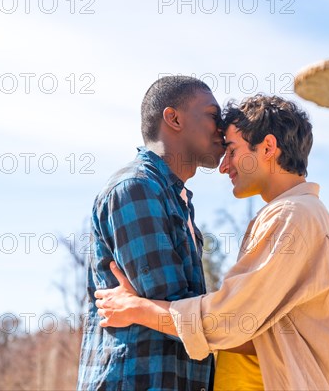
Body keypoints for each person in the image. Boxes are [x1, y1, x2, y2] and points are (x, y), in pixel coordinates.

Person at [95, 94, 329, 390]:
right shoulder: (297, 213)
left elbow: (233, 321)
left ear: (267, 147)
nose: (224, 166)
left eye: (232, 150)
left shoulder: (292, 215)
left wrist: (137, 309)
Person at [77, 76, 225, 391]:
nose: (223, 128)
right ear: (173, 118)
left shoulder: (176, 198)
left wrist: (143, 308)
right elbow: (179, 313)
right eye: (214, 115)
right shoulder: (136, 188)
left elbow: (181, 315)